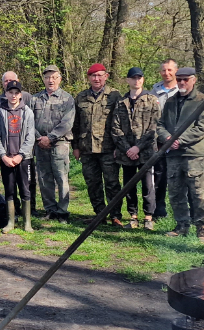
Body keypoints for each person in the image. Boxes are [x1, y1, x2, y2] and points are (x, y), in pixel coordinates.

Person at [156, 66, 204, 240]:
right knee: (175, 192)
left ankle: (201, 228)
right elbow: (160, 124)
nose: (181, 82)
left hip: (193, 154)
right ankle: (181, 226)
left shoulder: (202, 100)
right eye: (179, 79)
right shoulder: (171, 101)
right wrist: (167, 138)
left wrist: (179, 140)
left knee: (197, 193)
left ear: (193, 80)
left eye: (185, 79)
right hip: (173, 155)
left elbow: (203, 128)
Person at [73, 62, 123, 226]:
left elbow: (121, 123)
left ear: (106, 76)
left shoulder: (115, 96)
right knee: (93, 184)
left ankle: (115, 214)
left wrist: (119, 146)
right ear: (88, 78)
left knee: (112, 183)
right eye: (93, 75)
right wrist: (75, 147)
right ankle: (100, 214)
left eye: (100, 75)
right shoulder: (81, 97)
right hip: (87, 148)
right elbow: (76, 124)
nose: (96, 78)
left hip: (108, 148)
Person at [111, 67, 159, 230]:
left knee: (147, 185)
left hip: (145, 152)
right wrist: (127, 149)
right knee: (129, 185)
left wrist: (138, 148)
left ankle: (148, 217)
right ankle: (133, 217)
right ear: (128, 80)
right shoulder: (121, 102)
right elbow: (115, 128)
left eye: (139, 78)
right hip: (127, 153)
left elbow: (154, 127)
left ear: (143, 80)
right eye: (133, 78)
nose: (136, 80)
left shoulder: (151, 100)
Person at [30, 65, 74, 221]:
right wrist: (39, 138)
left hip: (60, 144)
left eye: (54, 77)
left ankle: (62, 212)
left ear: (60, 79)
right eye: (48, 77)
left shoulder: (68, 99)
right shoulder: (35, 99)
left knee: (61, 178)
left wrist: (50, 137)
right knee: (44, 178)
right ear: (43, 79)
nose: (51, 80)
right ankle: (50, 210)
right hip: (40, 144)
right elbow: (29, 121)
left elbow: (67, 123)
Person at [0, 79, 35, 233]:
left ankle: (27, 223)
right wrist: (3, 155)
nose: (13, 95)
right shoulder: (0, 112)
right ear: (6, 94)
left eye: (16, 93)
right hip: (7, 159)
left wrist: (21, 155)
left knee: (25, 189)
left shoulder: (27, 112)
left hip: (24, 159)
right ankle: (10, 222)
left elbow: (30, 136)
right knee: (9, 189)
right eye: (10, 93)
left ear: (20, 95)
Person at [151, 58, 179, 223]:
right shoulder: (155, 90)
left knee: (177, 177)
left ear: (176, 71)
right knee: (159, 177)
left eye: (169, 70)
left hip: (178, 141)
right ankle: (158, 210)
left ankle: (180, 213)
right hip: (160, 140)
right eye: (163, 70)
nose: (166, 73)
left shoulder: (181, 89)